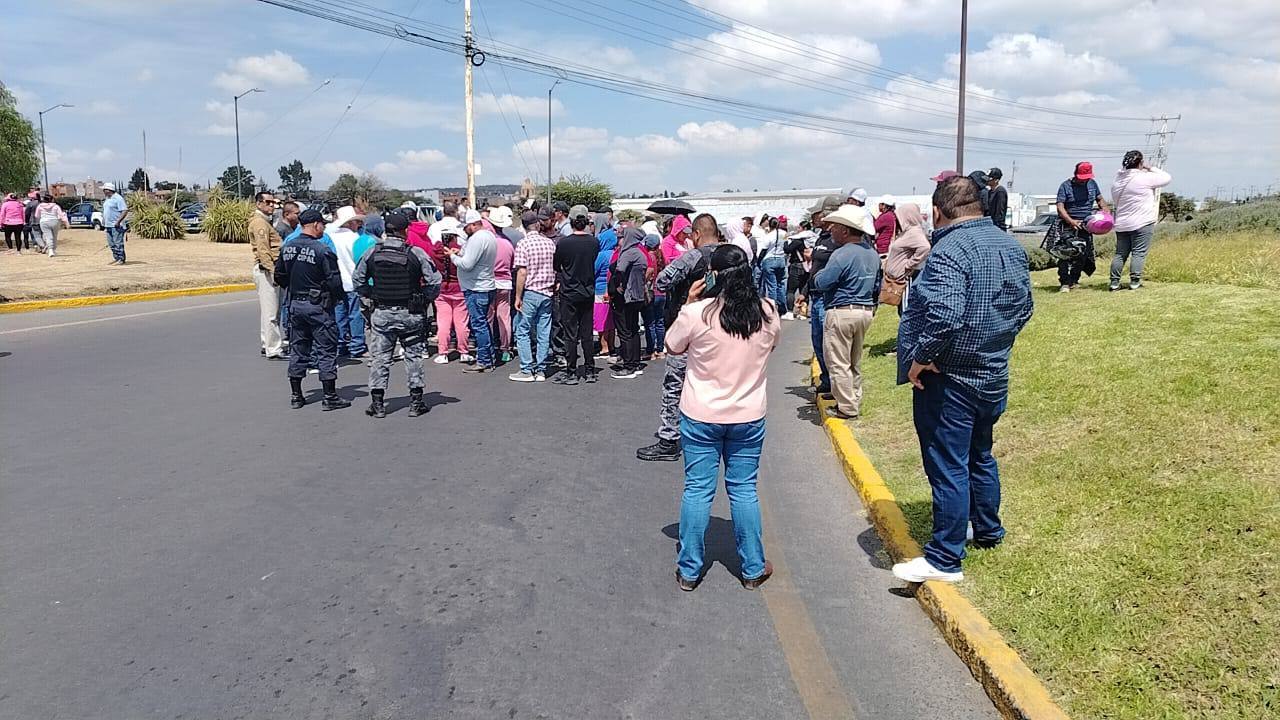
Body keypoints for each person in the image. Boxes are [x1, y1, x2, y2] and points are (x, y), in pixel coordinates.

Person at [892, 176, 1034, 583]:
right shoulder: (1010, 245)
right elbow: (1024, 307)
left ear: (938, 211)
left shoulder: (948, 250)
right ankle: (987, 529)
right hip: (992, 372)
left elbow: (945, 314)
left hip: (949, 378)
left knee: (948, 464)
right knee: (979, 455)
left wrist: (921, 359)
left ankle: (945, 558)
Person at [668, 243, 781, 591]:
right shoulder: (768, 312)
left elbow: (673, 346)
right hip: (748, 414)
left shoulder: (697, 314)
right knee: (744, 489)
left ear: (713, 274)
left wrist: (688, 302)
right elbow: (771, 345)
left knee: (698, 489)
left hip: (701, 414)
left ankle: (689, 571)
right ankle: (752, 567)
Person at [637, 213, 722, 461]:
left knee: (675, 383)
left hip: (691, 324)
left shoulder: (694, 256)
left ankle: (669, 438)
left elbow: (663, 280)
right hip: (723, 327)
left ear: (696, 234)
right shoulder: (733, 255)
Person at [353, 209, 442, 418]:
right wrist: (425, 300)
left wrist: (369, 298)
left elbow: (357, 280)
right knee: (413, 357)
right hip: (410, 314)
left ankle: (377, 403)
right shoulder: (415, 253)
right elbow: (434, 281)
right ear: (405, 230)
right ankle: (416, 401)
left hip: (382, 313)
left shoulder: (372, 253)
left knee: (380, 358)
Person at [274, 209, 350, 411]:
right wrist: (338, 300)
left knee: (298, 349)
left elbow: (279, 277)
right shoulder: (322, 250)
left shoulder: (287, 247)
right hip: (318, 307)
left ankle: (296, 395)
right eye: (322, 225)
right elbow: (334, 282)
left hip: (295, 305)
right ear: (316, 224)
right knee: (326, 349)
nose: (323, 228)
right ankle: (329, 396)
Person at [812, 205, 880, 420]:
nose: (830, 230)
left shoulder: (842, 254)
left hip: (842, 311)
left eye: (835, 227)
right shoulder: (872, 254)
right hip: (865, 310)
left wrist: (817, 275)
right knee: (854, 361)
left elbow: (823, 281)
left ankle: (846, 407)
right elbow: (877, 284)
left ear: (846, 230)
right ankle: (854, 399)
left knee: (838, 362)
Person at [1110, 150, 1171, 291]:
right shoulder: (1144, 178)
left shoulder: (1117, 181)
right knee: (1138, 252)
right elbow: (1166, 178)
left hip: (1122, 223)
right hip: (1142, 221)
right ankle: (1135, 281)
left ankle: (1114, 283)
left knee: (1120, 254)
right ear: (1140, 163)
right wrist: (1150, 168)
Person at [551, 205, 599, 385]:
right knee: (586, 333)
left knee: (570, 333)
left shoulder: (564, 243)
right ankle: (590, 369)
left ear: (571, 221)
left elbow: (557, 266)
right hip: (588, 290)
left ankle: (571, 371)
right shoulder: (594, 242)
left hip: (569, 291)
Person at [509, 208, 557, 382]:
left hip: (530, 291)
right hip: (547, 292)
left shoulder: (523, 244)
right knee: (544, 331)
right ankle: (541, 369)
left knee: (523, 331)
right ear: (537, 224)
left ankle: (526, 369)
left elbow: (522, 272)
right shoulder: (549, 243)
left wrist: (517, 296)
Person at [804, 195, 843, 394]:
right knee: (818, 341)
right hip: (815, 295)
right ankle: (827, 380)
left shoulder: (839, 239)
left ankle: (834, 383)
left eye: (816, 214)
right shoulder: (821, 236)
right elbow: (815, 267)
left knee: (829, 344)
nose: (813, 217)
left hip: (828, 298)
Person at [451, 209, 498, 372]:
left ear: (472, 224)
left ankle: (484, 360)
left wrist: (452, 256)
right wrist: (461, 252)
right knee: (483, 324)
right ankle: (489, 356)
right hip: (485, 285)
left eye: (466, 226)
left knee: (479, 325)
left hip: (477, 287)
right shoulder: (489, 236)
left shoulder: (477, 239)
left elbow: (467, 264)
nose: (464, 229)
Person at [1054, 161, 1110, 292]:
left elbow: (1100, 199)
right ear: (1075, 174)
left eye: (1086, 178)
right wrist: (1070, 221)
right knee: (1066, 253)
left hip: (1087, 225)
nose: (1083, 181)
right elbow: (1060, 206)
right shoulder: (1065, 186)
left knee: (1082, 254)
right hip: (1068, 224)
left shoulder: (1092, 184)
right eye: (1081, 178)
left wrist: (1105, 209)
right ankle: (1064, 282)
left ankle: (1074, 280)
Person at [428, 218, 471, 364]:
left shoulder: (434, 251)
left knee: (443, 322)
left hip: (442, 289)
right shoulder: (459, 249)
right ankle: (464, 351)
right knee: (461, 323)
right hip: (459, 288)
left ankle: (443, 352)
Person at [327, 206, 368, 358]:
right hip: (352, 281)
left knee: (339, 314)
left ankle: (340, 343)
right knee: (355, 314)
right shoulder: (355, 239)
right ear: (351, 223)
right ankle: (357, 345)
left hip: (337, 281)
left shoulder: (331, 237)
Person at [249, 191, 286, 360]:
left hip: (267, 269)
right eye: (268, 202)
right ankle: (274, 348)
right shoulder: (260, 223)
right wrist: (273, 273)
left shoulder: (265, 221)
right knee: (272, 312)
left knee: (268, 311)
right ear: (259, 204)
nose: (272, 205)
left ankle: (267, 343)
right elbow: (264, 250)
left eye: (273, 203)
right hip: (266, 270)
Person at [609, 227, 649, 379]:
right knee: (633, 330)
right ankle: (635, 362)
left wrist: (617, 285)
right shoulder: (639, 253)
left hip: (627, 296)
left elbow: (619, 269)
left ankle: (628, 365)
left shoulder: (628, 253)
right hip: (637, 296)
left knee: (624, 331)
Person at [883, 202, 932, 310]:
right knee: (902, 308)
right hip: (897, 279)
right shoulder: (908, 231)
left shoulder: (914, 232)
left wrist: (909, 264)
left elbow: (925, 247)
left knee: (905, 309)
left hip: (905, 279)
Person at [593, 220, 619, 359]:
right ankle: (612, 345)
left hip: (600, 290)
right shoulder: (616, 254)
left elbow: (593, 271)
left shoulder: (601, 255)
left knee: (601, 320)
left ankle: (604, 348)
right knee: (611, 320)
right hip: (612, 290)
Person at [491, 226, 515, 363]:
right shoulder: (508, 243)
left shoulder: (488, 243)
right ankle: (505, 349)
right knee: (504, 317)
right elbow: (512, 265)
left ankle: (489, 347)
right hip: (505, 282)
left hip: (489, 281)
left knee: (488, 317)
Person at [641, 233, 667, 359]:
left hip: (650, 293)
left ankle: (650, 350)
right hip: (662, 292)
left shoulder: (647, 257)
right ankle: (660, 349)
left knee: (649, 322)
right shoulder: (661, 256)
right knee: (660, 322)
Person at [758, 216, 790, 318]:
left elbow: (763, 250)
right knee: (780, 284)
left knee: (772, 286)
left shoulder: (768, 236)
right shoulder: (784, 234)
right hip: (780, 260)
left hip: (770, 260)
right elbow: (786, 245)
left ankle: (772, 309)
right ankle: (782, 308)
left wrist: (759, 261)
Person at [101, 182, 129, 264]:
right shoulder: (107, 199)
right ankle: (116, 258)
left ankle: (121, 258)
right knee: (111, 243)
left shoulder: (118, 198)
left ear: (109, 190)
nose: (103, 191)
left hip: (116, 225)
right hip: (108, 225)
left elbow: (124, 210)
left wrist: (118, 221)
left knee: (118, 243)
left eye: (104, 189)